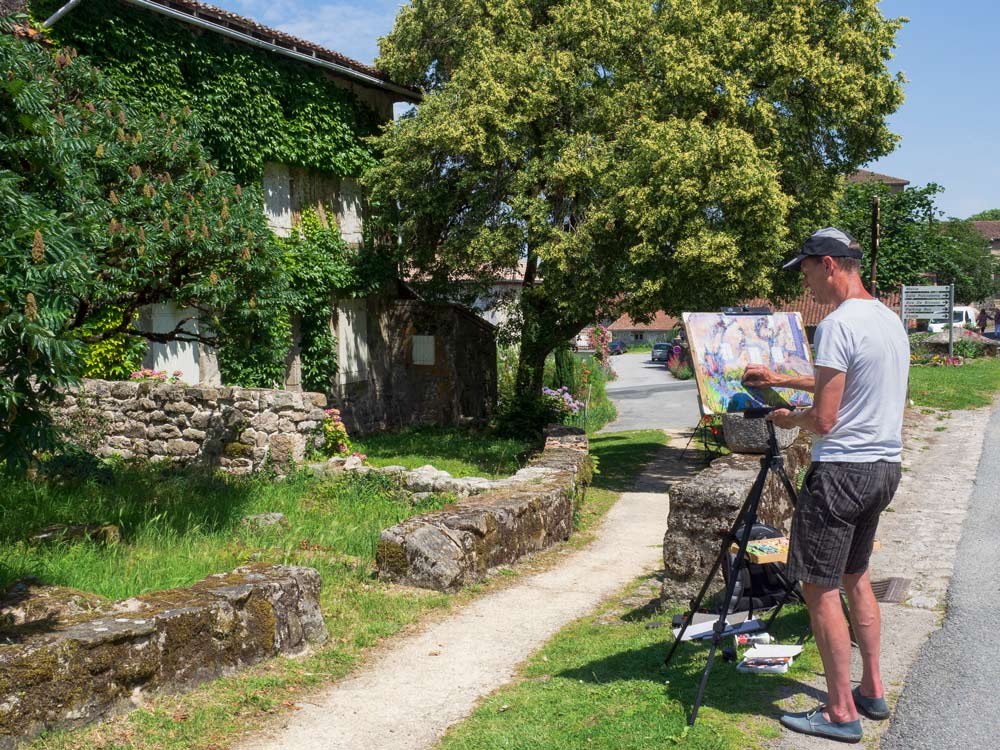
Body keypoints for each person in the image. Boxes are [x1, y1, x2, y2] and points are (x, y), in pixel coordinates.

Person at [741, 227, 909, 744]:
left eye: (807, 271)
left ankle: (840, 713)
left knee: (819, 587)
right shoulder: (887, 320)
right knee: (856, 574)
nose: (806, 283)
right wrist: (782, 379)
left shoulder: (837, 324)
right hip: (883, 467)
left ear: (829, 264)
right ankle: (871, 689)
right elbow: (844, 379)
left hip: (841, 472)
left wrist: (789, 419)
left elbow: (827, 418)